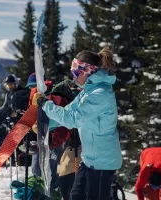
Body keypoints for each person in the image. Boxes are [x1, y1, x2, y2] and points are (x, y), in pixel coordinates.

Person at [32, 46, 122, 200]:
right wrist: (47, 125)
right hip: (89, 159)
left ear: (88, 71)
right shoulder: (88, 92)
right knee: (76, 196)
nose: (73, 78)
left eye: (76, 73)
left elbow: (72, 118)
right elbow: (68, 111)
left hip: (102, 162)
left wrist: (45, 104)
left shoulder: (100, 95)